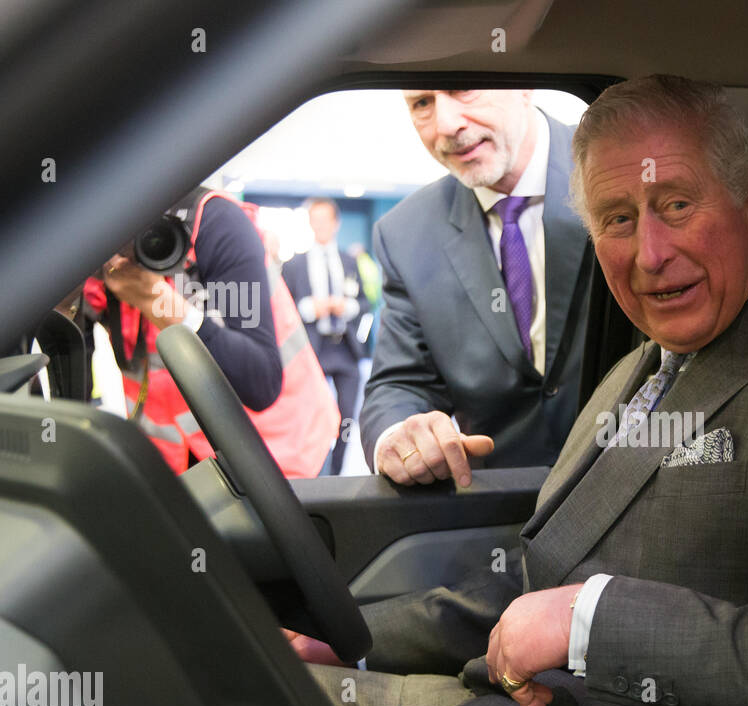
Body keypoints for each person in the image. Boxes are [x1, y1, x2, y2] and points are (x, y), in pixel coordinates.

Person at [196, 75, 748, 706]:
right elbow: (534, 574)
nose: (650, 255)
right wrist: (354, 644)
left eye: (676, 205)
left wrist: (590, 618)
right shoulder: (647, 368)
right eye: (617, 219)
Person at [359, 89, 591, 486]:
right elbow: (401, 383)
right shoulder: (405, 234)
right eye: (422, 104)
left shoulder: (615, 167)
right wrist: (399, 436)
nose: (446, 124)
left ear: (523, 87)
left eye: (462, 89)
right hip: (495, 508)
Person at [86, 189, 338, 477]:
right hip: (183, 467)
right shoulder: (105, 260)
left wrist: (155, 301)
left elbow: (260, 382)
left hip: (281, 454)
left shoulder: (215, 223)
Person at [281, 198, 370, 475]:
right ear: (309, 223)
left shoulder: (350, 261)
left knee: (346, 418)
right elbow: (282, 308)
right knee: (311, 417)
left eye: (325, 220)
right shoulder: (294, 264)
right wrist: (310, 308)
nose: (320, 226)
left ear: (336, 224)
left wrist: (347, 306)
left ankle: (337, 473)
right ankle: (315, 471)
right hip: (311, 351)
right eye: (315, 220)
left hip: (345, 349)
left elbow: (367, 303)